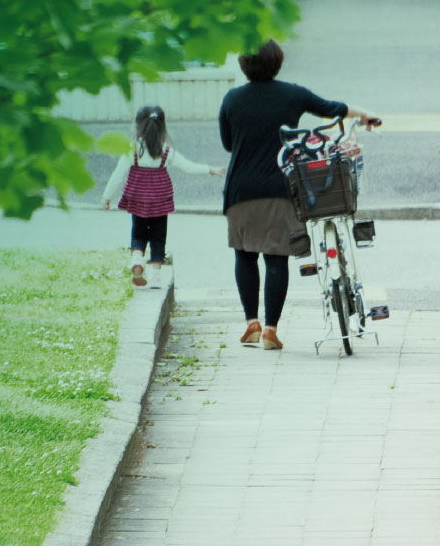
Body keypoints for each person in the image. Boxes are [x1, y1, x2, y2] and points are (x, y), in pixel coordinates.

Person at [217, 40, 378, 350]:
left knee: (244, 255)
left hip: (240, 190)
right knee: (276, 259)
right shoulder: (292, 94)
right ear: (278, 62)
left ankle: (251, 323)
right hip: (280, 187)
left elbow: (228, 144)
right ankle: (271, 331)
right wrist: (366, 114)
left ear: (243, 64)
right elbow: (335, 109)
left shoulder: (232, 99)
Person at [102, 104, 223, 288]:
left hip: (138, 199)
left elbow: (118, 174)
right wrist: (210, 170)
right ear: (162, 127)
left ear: (137, 125)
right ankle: (156, 276)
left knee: (138, 233)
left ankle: (136, 258)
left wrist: (107, 196)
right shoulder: (165, 151)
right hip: (160, 200)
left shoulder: (132, 149)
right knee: (158, 237)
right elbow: (187, 167)